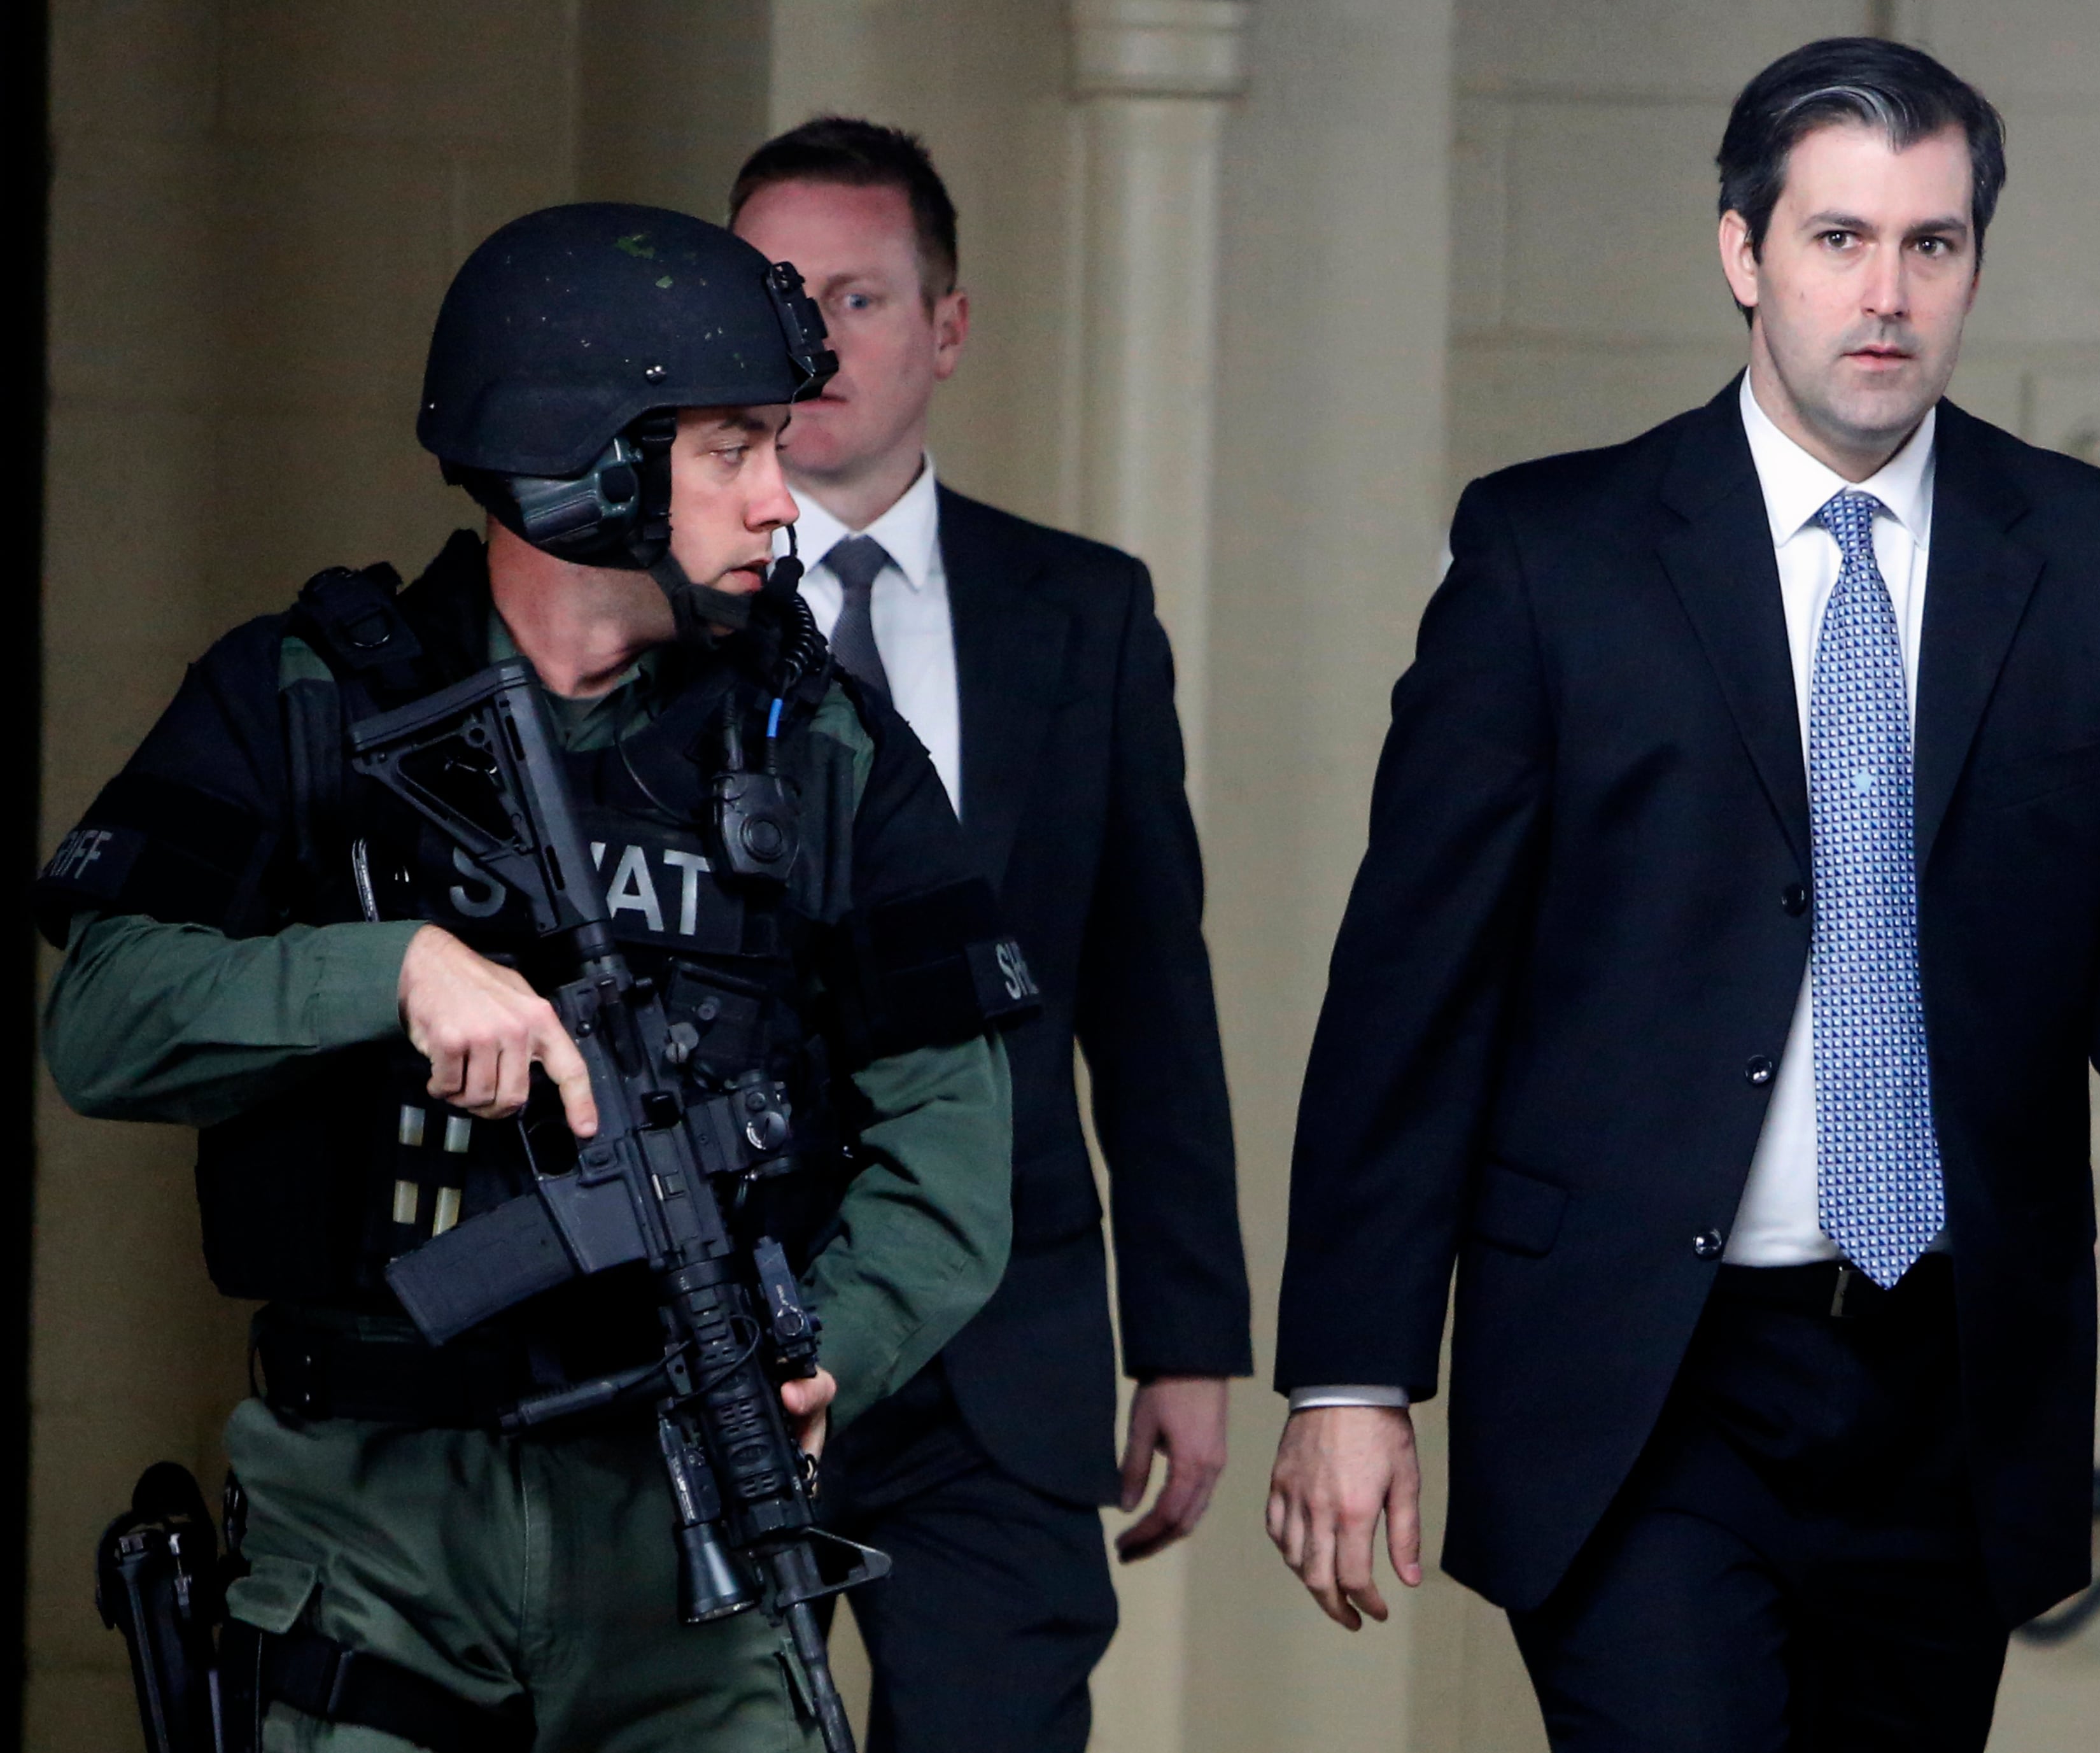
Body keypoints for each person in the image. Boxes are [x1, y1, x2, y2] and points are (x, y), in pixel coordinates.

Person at [1264, 36, 2100, 1751]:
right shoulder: (1555, 556)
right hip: (1643, 1378)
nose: (1886, 293)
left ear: (1973, 262)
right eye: (1839, 240)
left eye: (1932, 243)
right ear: (1744, 254)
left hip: (1950, 1386)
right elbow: (1417, 982)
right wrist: (1354, 1370)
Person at [39, 202, 1016, 1752]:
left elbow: (956, 1145)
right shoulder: (303, 698)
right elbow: (101, 1021)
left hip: (687, 1536)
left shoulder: (817, 748)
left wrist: (829, 1350)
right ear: (589, 467)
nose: (783, 498)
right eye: (731, 451)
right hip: (372, 1530)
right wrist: (390, 972)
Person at [726, 118, 1250, 1752]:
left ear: (946, 327)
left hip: (1005, 1342)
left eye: (859, 298)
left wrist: (1187, 1338)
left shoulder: (1082, 611)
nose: (811, 340)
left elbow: (1153, 997)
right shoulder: (652, 616)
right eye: (771, 297)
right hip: (729, 1324)